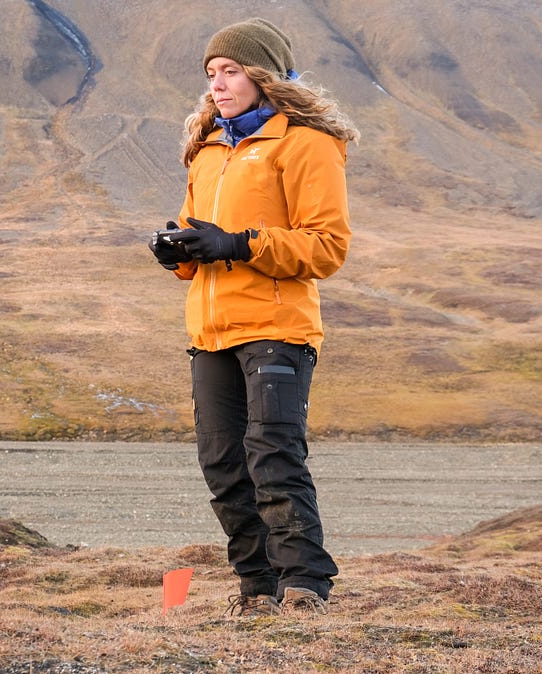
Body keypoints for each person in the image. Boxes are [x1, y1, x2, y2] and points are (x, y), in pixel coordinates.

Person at [148, 17, 359, 617]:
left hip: (277, 330)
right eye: (211, 74)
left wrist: (238, 244)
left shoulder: (307, 143)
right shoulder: (207, 147)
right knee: (223, 465)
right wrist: (179, 252)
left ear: (263, 75)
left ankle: (305, 586)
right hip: (210, 333)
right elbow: (199, 239)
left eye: (231, 71)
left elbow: (326, 247)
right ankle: (257, 588)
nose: (217, 84)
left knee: (272, 455)